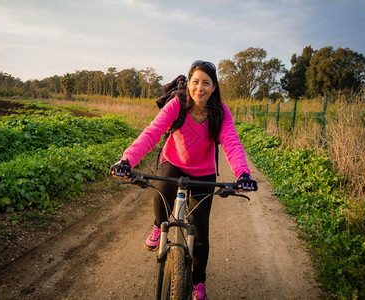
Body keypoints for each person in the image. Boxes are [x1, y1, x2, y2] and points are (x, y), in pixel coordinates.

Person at [110, 60, 257, 300]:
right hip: (174, 163)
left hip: (204, 172)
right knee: (162, 196)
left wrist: (243, 173)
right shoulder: (176, 106)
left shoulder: (220, 112)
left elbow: (231, 143)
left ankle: (199, 284)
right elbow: (152, 133)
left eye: (206, 83)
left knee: (200, 236)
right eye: (196, 82)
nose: (200, 88)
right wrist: (127, 161)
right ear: (188, 84)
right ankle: (159, 226)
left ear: (214, 86)